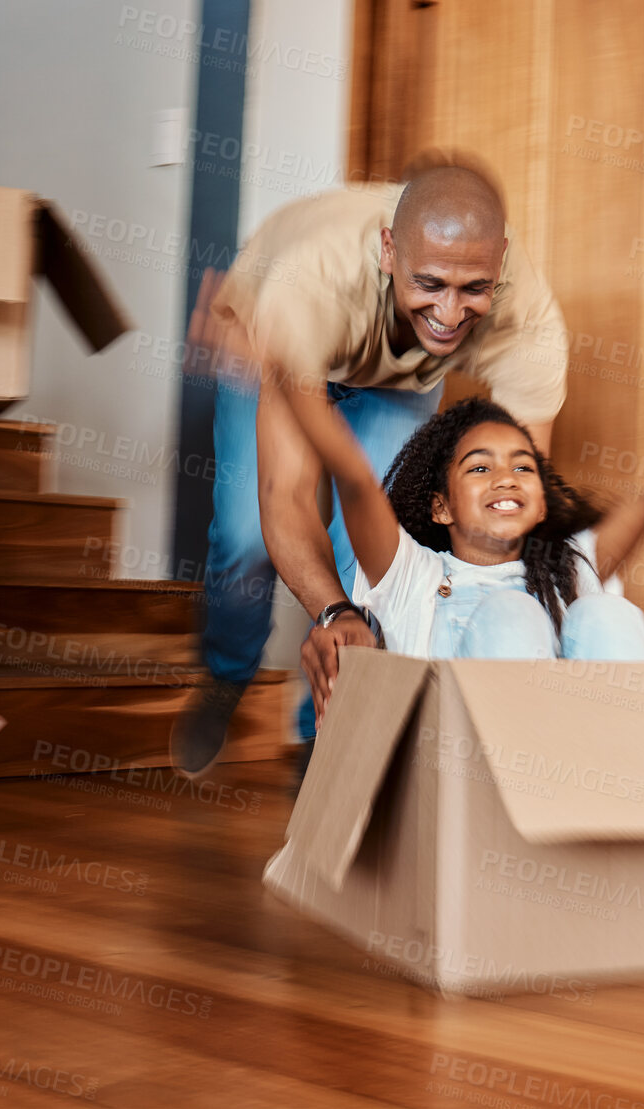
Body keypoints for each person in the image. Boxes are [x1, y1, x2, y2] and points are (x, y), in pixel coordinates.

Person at [171, 158, 569, 779]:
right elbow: (288, 496)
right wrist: (334, 612)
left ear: (502, 262)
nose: (450, 312)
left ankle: (326, 734)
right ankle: (226, 673)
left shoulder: (530, 321)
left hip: (395, 379)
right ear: (388, 250)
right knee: (246, 538)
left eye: (474, 289)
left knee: (387, 547)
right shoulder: (307, 288)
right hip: (273, 343)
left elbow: (517, 512)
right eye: (430, 283)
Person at [269, 366, 644, 662]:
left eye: (523, 468)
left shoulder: (571, 567)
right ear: (439, 506)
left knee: (608, 617)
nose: (505, 479)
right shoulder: (410, 574)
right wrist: (285, 372)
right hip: (456, 776)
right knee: (512, 618)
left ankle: (619, 813)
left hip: (568, 766)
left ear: (541, 500)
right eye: (479, 468)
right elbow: (353, 477)